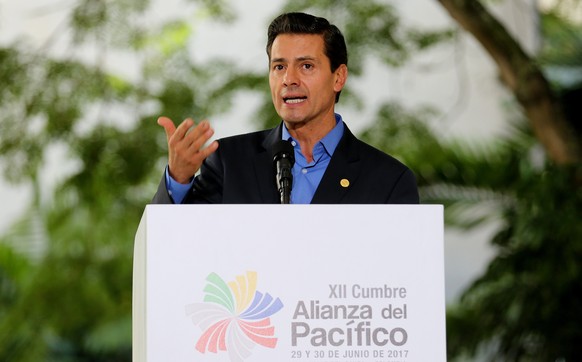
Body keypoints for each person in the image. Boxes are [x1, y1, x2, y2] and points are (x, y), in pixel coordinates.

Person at [152, 12, 419, 204]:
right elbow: (178, 250)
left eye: (306, 66)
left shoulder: (388, 180)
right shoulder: (228, 163)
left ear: (338, 77)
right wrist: (179, 178)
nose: (289, 79)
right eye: (279, 67)